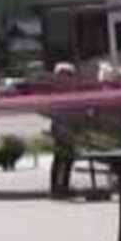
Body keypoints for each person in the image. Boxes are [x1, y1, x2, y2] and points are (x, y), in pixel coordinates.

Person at [46, 62, 81, 198]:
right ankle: (55, 187)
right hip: (60, 128)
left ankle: (64, 185)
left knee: (69, 158)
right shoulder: (57, 92)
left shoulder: (73, 91)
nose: (65, 79)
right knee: (59, 157)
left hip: (70, 128)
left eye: (68, 75)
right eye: (62, 75)